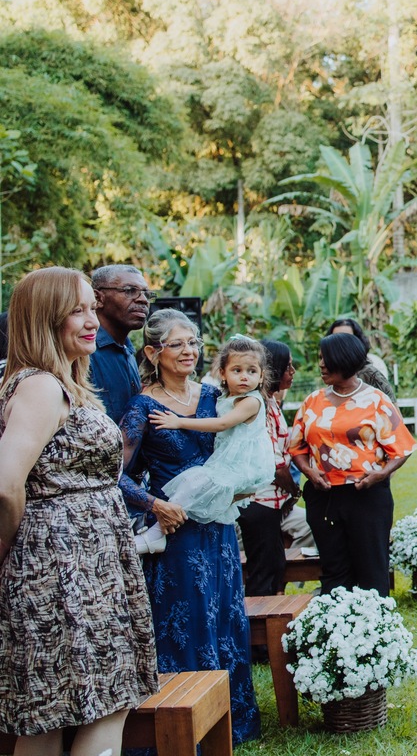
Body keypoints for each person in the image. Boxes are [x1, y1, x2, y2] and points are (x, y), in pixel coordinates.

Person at [0, 267, 157, 754]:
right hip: (63, 568)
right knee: (84, 706)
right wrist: (8, 549)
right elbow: (6, 484)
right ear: (45, 318)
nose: (92, 320)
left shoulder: (62, 382)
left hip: (91, 564)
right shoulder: (41, 387)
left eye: (93, 307)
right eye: (77, 310)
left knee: (65, 709)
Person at [120, 308, 260, 744]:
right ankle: (180, 729)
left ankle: (231, 723)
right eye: (177, 344)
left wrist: (242, 487)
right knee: (186, 620)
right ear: (152, 351)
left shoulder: (215, 397)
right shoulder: (142, 405)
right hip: (174, 533)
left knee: (224, 616)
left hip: (217, 529)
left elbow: (241, 447)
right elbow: (112, 473)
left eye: (194, 342)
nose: (189, 351)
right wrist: (154, 504)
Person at [287, 332, 416, 595]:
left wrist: (380, 475)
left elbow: (402, 449)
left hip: (366, 495)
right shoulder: (313, 401)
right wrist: (309, 472)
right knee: (334, 568)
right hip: (324, 497)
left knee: (371, 568)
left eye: (326, 359)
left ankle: (374, 627)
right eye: (320, 358)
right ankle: (338, 627)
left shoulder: (376, 401)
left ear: (344, 360)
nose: (321, 364)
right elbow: (296, 447)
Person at [134, 337, 275, 552]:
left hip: (244, 464)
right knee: (193, 488)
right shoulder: (222, 397)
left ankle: (155, 534)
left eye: (252, 371)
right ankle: (160, 531)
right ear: (223, 374)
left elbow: (222, 423)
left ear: (262, 376)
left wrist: (179, 421)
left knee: (196, 485)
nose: (245, 376)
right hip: (230, 459)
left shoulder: (251, 401)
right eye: (237, 370)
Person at [238, 340, 307, 596]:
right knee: (263, 573)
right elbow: (274, 463)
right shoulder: (260, 406)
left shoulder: (272, 402)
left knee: (275, 566)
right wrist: (294, 490)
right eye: (288, 366)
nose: (293, 372)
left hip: (271, 503)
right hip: (259, 502)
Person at [90, 264, 155, 423]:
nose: (143, 300)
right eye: (129, 291)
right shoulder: (85, 352)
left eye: (146, 294)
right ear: (98, 298)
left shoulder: (128, 352)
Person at [327, 318, 395, 400]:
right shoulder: (331, 373)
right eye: (335, 339)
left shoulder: (370, 373)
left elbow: (393, 410)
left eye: (347, 339)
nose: (341, 344)